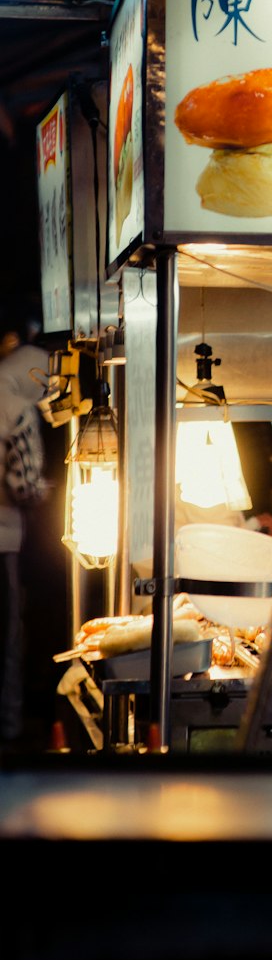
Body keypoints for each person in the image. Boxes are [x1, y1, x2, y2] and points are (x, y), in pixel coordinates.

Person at [0, 306, 49, 745]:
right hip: (4, 545)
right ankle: (9, 743)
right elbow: (24, 485)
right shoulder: (16, 408)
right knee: (7, 648)